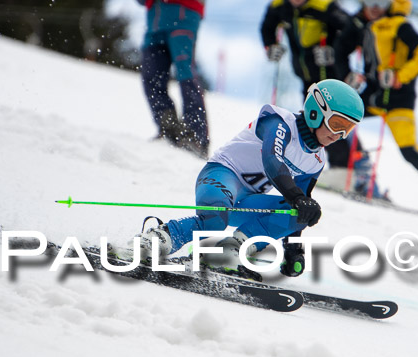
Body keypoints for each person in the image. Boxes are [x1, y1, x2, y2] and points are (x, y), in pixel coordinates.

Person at [112, 79, 365, 277]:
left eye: (348, 129)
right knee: (214, 219)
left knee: (300, 213)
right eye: (336, 124)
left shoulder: (316, 160)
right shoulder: (279, 122)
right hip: (221, 176)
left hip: (246, 200)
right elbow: (272, 160)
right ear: (315, 111)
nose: (339, 134)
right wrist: (298, 198)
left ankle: (228, 251)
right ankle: (158, 238)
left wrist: (293, 249)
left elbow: (300, 204)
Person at [334, 0, 418, 222]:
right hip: (373, 97)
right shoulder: (363, 24)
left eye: (381, 2)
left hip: (398, 101)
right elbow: (340, 49)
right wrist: (348, 74)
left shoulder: (398, 25)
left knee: (409, 150)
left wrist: (401, 75)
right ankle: (345, 171)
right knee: (337, 115)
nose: (374, 6)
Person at [260, 0, 359, 184]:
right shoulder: (280, 6)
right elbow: (268, 25)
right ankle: (348, 168)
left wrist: (334, 51)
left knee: (330, 123)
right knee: (313, 123)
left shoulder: (323, 6)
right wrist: (270, 45)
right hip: (307, 76)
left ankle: (345, 169)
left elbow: (352, 31)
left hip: (329, 79)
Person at [137, 0, 209, 157]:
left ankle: (196, 137)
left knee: (186, 74)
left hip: (184, 14)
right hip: (155, 19)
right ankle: (169, 130)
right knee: (151, 75)